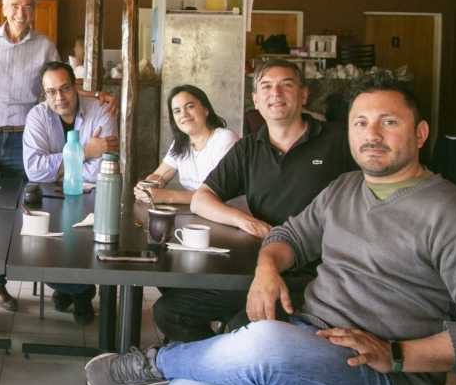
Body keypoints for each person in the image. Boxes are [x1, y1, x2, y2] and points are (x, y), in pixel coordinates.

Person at [85, 72, 456, 385]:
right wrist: (267, 267)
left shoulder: (454, 213)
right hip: (309, 345)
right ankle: (168, 368)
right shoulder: (345, 187)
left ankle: (155, 362)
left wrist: (396, 355)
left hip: (387, 379)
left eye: (389, 122)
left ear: (420, 133)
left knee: (267, 340)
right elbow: (289, 235)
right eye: (360, 123)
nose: (372, 135)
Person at [153, 59, 357, 343]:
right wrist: (244, 220)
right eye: (266, 87)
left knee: (243, 330)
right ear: (256, 100)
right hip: (263, 265)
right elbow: (202, 199)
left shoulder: (339, 139)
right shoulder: (248, 148)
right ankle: (217, 361)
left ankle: (211, 358)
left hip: (319, 274)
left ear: (303, 95)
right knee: (168, 312)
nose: (276, 93)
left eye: (286, 85)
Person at [0, 0, 115, 311]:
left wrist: (95, 95)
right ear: (4, 9)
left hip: (23, 139)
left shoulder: (44, 45)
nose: (21, 12)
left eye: (28, 6)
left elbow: (58, 83)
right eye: (15, 5)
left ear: (34, 11)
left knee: (17, 211)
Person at [22, 61, 118, 324]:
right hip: (49, 198)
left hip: (93, 198)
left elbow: (102, 169)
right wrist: (86, 151)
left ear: (76, 87)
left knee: (87, 247)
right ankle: (79, 290)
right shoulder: (37, 116)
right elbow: (35, 170)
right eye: (51, 91)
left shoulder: (102, 110)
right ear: (44, 93)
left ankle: (69, 288)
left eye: (65, 88)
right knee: (38, 251)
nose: (59, 97)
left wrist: (60, 168)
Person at [134, 85, 239, 205]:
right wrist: (146, 187)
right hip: (199, 211)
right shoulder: (182, 143)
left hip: (230, 211)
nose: (183, 114)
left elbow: (217, 193)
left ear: (206, 110)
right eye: (177, 111)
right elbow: (160, 176)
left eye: (190, 107)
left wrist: (167, 196)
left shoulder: (225, 140)